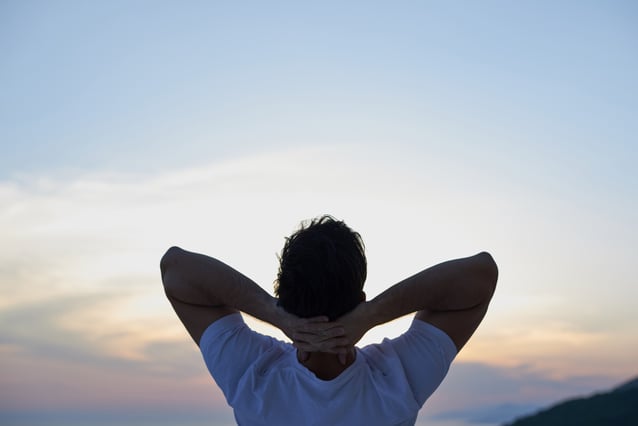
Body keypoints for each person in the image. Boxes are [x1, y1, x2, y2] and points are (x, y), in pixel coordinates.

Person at [161, 215, 498, 425]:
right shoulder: (396, 384)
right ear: (359, 300)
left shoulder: (253, 379)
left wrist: (273, 312)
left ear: (287, 297)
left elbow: (176, 268)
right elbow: (480, 274)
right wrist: (372, 314)